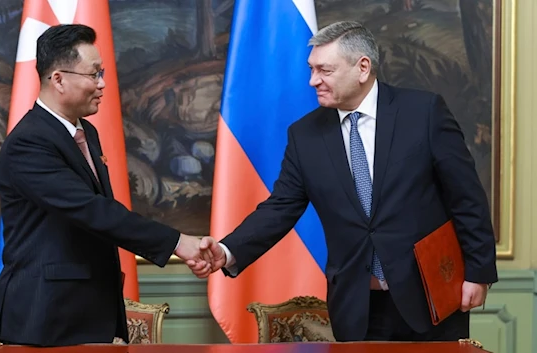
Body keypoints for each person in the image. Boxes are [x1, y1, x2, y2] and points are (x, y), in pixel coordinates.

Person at [193, 21, 498, 342]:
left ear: (362, 67)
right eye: (311, 70)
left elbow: (467, 197)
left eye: (325, 70)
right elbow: (280, 208)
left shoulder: (423, 112)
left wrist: (478, 274)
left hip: (431, 295)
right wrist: (227, 251)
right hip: (357, 305)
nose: (313, 81)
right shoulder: (304, 135)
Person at [0, 24, 211, 346]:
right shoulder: (30, 142)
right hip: (47, 316)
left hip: (88, 309)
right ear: (59, 79)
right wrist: (178, 242)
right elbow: (92, 210)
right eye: (94, 74)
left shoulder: (86, 133)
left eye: (102, 73)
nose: (103, 84)